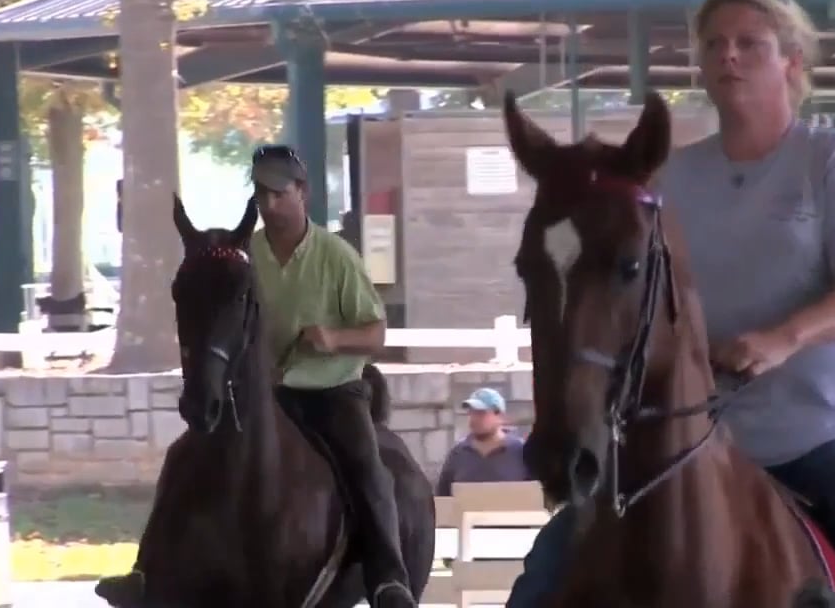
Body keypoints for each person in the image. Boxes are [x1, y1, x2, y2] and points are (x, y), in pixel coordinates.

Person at [506, 0, 835, 606]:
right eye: (714, 44)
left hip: (832, 430)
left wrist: (781, 339)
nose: (728, 56)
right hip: (696, 439)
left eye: (750, 42)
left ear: (793, 62)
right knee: (543, 576)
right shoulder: (672, 179)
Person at [95, 145, 413, 608]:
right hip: (266, 394)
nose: (267, 204)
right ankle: (146, 571)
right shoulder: (246, 257)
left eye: (277, 193)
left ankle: (388, 580)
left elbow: (377, 334)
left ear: (302, 192)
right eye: (260, 194)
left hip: (332, 392)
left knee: (366, 465)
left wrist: (334, 339)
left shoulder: (335, 256)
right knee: (184, 454)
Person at [436, 387, 531, 497]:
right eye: (471, 413)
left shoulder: (521, 452)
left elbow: (538, 497)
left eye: (481, 413)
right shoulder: (457, 454)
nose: (474, 418)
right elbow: (442, 499)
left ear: (500, 416)